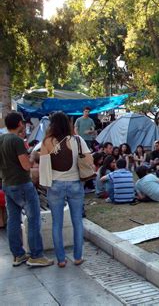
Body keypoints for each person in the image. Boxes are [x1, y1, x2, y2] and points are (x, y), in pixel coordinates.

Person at [0, 112, 53, 267]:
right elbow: (26, 165)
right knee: (33, 218)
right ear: (19, 124)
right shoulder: (16, 141)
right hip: (22, 183)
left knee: (13, 220)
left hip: (7, 183)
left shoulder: (1, 139)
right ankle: (36, 255)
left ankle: (18, 255)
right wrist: (32, 155)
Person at [40, 111, 91, 267]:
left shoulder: (47, 141)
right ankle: (77, 257)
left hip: (55, 184)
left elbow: (43, 167)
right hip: (75, 183)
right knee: (77, 221)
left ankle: (61, 259)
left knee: (57, 223)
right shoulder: (77, 140)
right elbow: (89, 160)